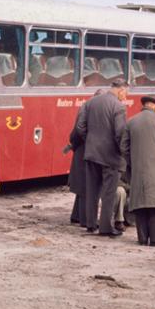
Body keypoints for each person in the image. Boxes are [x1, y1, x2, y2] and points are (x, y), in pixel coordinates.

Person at [76, 79, 129, 237]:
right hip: (111, 156)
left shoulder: (90, 102)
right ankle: (106, 227)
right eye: (126, 93)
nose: (125, 96)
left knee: (92, 190)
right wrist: (123, 152)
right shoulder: (118, 107)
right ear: (120, 90)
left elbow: (80, 127)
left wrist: (90, 141)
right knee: (108, 192)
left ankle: (90, 224)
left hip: (91, 153)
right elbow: (120, 133)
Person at [121, 95, 155, 247]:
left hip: (137, 168)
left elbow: (124, 147)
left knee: (140, 203)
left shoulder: (131, 121)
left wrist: (132, 162)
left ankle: (142, 238)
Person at [66, 89, 103, 226]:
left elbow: (77, 131)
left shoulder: (86, 106)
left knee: (82, 183)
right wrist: (90, 140)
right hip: (86, 149)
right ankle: (85, 219)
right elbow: (80, 128)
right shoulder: (89, 108)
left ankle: (76, 215)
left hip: (81, 148)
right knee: (87, 185)